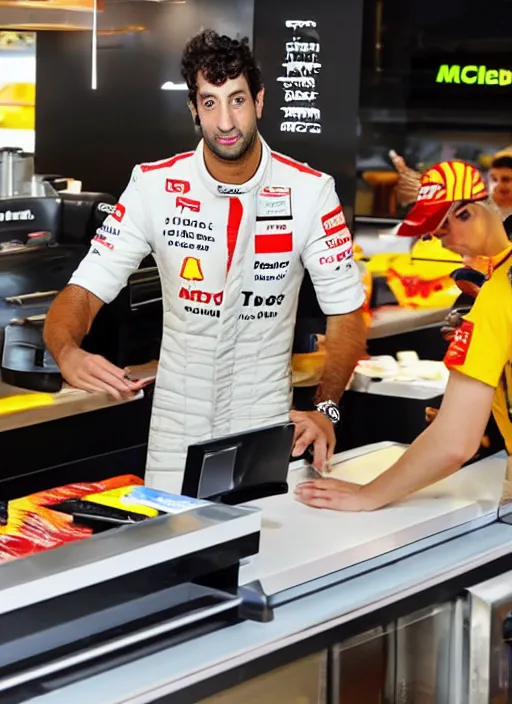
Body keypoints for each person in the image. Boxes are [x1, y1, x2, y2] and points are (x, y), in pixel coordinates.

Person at [43, 30, 367, 490]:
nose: (226, 120)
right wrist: (67, 351)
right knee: (172, 557)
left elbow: (347, 312)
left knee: (262, 559)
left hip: (267, 424)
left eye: (236, 99)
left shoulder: (311, 190)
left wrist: (327, 406)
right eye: (210, 102)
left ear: (259, 100)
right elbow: (84, 290)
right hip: (176, 428)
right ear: (194, 109)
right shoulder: (153, 186)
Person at [295, 160, 512, 511]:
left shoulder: (497, 296)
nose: (445, 247)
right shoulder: (494, 281)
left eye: (442, 232)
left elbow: (455, 442)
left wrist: (369, 494)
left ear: (470, 213)